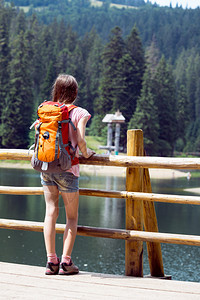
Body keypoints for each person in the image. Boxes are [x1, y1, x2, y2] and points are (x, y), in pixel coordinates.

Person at [41, 74, 95, 275]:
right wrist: (87, 153)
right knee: (71, 217)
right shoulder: (80, 112)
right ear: (75, 92)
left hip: (47, 166)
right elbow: (80, 140)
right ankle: (65, 263)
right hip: (68, 169)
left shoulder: (47, 109)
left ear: (56, 90)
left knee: (50, 212)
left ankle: (50, 262)